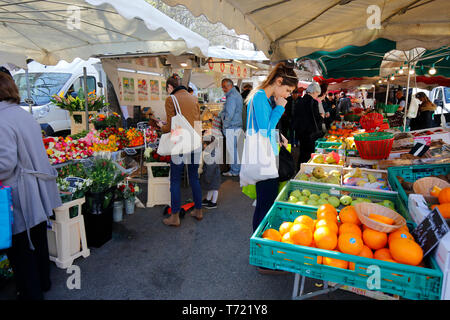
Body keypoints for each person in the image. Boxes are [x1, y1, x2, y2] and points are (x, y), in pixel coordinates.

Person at [0, 71, 62, 300]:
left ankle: (30, 293)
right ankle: (44, 282)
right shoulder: (22, 114)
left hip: (19, 193)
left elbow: (4, 164)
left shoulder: (1, 118)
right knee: (38, 238)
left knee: (20, 248)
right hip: (36, 189)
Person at [244, 62, 297, 274]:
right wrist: (280, 108)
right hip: (263, 159)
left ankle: (260, 253)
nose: (288, 94)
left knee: (264, 204)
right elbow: (265, 131)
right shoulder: (259, 97)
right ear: (279, 81)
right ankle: (261, 258)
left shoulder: (262, 97)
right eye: (287, 90)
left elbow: (264, 129)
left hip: (265, 157)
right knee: (265, 206)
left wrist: (278, 133)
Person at [159, 74, 203, 226]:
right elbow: (198, 122)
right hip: (195, 142)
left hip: (179, 143)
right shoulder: (194, 98)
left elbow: (171, 126)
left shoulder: (171, 99)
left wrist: (161, 126)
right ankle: (198, 210)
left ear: (170, 87)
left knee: (176, 180)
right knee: (194, 177)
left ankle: (175, 217)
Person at [293, 82, 323, 171]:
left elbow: (295, 117)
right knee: (309, 153)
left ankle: (299, 169)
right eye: (317, 94)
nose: (317, 96)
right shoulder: (313, 102)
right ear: (314, 92)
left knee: (302, 152)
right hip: (310, 133)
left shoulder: (299, 101)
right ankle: (307, 171)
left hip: (300, 132)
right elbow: (316, 118)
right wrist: (322, 117)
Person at [219, 79, 243, 177]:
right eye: (222, 87)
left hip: (232, 127)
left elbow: (229, 114)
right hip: (237, 126)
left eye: (224, 86)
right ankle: (237, 169)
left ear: (230, 86)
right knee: (236, 151)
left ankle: (234, 171)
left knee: (232, 151)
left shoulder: (231, 97)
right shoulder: (237, 95)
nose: (223, 89)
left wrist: (225, 126)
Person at [200, 135, 221, 209]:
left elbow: (210, 167)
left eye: (204, 144)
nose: (203, 145)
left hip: (213, 174)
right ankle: (208, 200)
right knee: (211, 187)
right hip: (214, 173)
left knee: (214, 188)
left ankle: (214, 202)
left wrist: (207, 177)